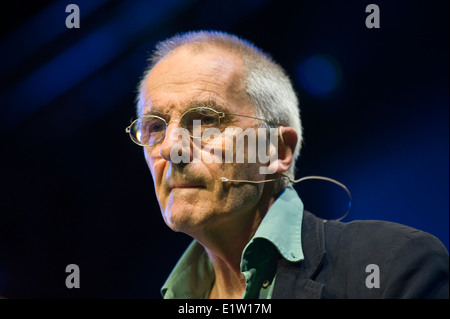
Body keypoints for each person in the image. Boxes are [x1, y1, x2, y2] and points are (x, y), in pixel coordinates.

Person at [126, 30, 449, 299]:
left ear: (277, 150)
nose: (170, 147)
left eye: (205, 120)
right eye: (155, 127)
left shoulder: (394, 265)